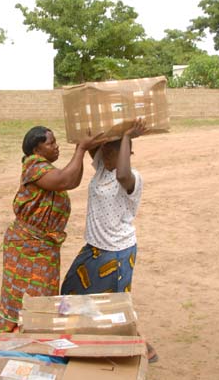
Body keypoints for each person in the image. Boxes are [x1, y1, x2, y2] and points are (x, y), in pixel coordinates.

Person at [60, 118, 158, 362]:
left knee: (115, 307)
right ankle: (83, 337)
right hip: (94, 248)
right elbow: (92, 140)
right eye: (103, 152)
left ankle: (140, 344)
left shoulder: (131, 178)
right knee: (71, 290)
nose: (103, 155)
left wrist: (126, 136)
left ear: (126, 154)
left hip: (117, 251)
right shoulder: (103, 168)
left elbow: (123, 172)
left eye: (110, 152)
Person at [0, 126, 104, 332]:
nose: (56, 147)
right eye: (51, 143)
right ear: (36, 149)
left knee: (42, 295)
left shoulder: (45, 166)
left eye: (55, 142)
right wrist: (80, 149)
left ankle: (36, 335)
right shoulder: (34, 165)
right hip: (27, 246)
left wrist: (79, 151)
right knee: (24, 296)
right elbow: (65, 179)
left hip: (43, 246)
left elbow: (72, 180)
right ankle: (17, 337)